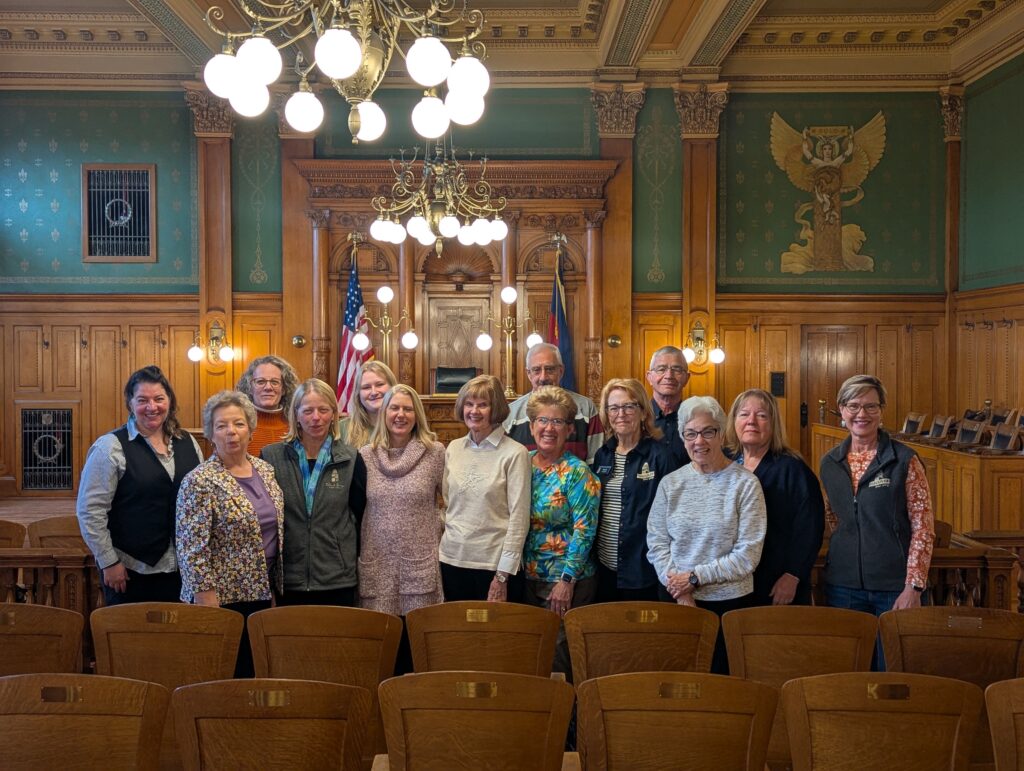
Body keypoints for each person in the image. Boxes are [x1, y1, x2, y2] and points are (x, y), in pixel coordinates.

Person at [820, 374, 935, 666]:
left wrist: (913, 587)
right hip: (842, 586)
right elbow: (834, 518)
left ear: (882, 411)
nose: (862, 414)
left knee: (891, 673)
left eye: (871, 406)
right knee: (849, 670)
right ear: (841, 410)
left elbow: (923, 527)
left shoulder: (904, 460)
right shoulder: (829, 463)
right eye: (854, 406)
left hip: (893, 587)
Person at [647, 395, 766, 674]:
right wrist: (679, 589)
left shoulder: (745, 484)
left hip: (729, 604)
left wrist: (694, 578)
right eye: (690, 434)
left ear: (721, 433)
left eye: (707, 432)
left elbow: (748, 555)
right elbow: (656, 543)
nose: (699, 441)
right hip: (677, 600)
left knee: (723, 687)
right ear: (682, 437)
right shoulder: (671, 483)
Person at [175, 391, 284, 678]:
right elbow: (190, 550)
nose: (231, 432)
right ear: (210, 433)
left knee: (256, 674)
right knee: (223, 677)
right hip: (220, 599)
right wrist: (207, 601)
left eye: (238, 424)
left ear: (250, 428)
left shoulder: (265, 470)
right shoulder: (198, 480)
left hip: (261, 593)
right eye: (222, 426)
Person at [77, 365, 202, 606]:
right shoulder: (109, 447)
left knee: (180, 639)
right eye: (142, 400)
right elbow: (90, 512)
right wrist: (109, 562)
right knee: (133, 642)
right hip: (130, 571)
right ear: (130, 404)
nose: (151, 407)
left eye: (159, 399)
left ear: (170, 401)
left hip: (183, 570)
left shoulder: (189, 442)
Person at [359, 384, 445, 672]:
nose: (400, 414)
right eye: (394, 408)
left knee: (419, 656)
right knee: (381, 658)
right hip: (377, 566)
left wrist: (436, 528)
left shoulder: (436, 453)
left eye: (408, 409)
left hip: (419, 567)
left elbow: (450, 503)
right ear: (383, 413)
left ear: (417, 415)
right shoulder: (364, 456)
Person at [261, 378, 367, 607]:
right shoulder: (271, 458)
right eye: (308, 410)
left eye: (323, 410)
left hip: (337, 578)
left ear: (334, 414)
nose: (316, 417)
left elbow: (359, 516)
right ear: (296, 414)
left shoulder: (351, 458)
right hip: (287, 579)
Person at [522, 385, 600, 678]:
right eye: (542, 420)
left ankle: (568, 721)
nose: (549, 428)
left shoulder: (578, 472)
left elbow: (585, 531)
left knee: (561, 663)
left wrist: (566, 580)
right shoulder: (523, 465)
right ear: (531, 427)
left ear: (569, 429)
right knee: (535, 661)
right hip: (528, 579)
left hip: (566, 583)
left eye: (557, 422)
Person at [726, 388, 825, 606]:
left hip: (777, 583)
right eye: (744, 414)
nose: (751, 421)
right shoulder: (724, 463)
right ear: (734, 421)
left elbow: (809, 528)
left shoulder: (793, 469)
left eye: (761, 415)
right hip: (731, 583)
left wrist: (793, 574)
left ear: (773, 424)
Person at [440, 375, 530, 602]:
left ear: (496, 408)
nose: (474, 411)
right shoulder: (453, 448)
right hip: (451, 560)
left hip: (493, 566)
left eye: (483, 405)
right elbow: (448, 503)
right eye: (469, 404)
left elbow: (519, 519)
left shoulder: (515, 453)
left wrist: (502, 575)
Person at [591, 378, 673, 602]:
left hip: (643, 568)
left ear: (643, 411)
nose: (622, 413)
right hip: (605, 568)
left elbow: (672, 516)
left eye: (629, 406)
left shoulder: (660, 456)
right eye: (614, 407)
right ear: (607, 413)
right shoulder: (603, 455)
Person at [504, 342, 602, 464]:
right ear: (528, 374)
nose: (543, 377)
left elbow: (597, 461)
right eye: (536, 370)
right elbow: (504, 463)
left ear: (561, 371)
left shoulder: (586, 408)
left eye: (549, 369)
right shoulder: (510, 413)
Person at [236, 355, 300, 454]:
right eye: (261, 382)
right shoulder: (237, 427)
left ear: (284, 389)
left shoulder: (296, 426)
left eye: (275, 382)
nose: (268, 387)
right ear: (250, 388)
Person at [645, 346, 691, 470]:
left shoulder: (695, 419)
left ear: (687, 378)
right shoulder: (638, 418)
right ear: (649, 377)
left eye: (677, 369)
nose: (669, 375)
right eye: (661, 369)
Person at [340, 361, 397, 448]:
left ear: (392, 387)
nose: (374, 392)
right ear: (358, 394)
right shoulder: (342, 429)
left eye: (379, 384)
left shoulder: (404, 427)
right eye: (366, 387)